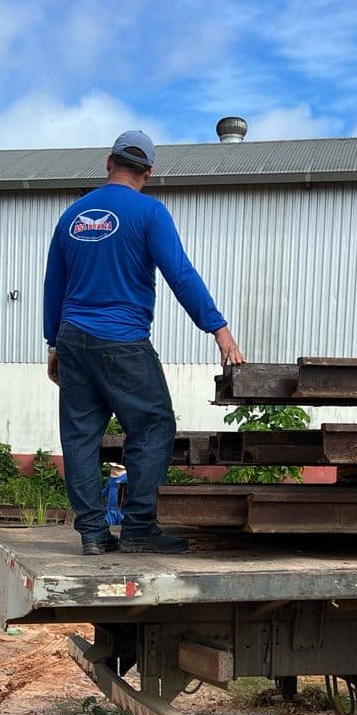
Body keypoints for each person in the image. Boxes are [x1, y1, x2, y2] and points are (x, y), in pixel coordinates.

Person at [43, 130, 243, 555]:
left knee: (80, 437)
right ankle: (137, 529)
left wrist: (53, 343)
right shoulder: (150, 212)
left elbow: (54, 285)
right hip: (122, 340)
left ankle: (93, 534)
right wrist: (218, 328)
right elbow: (180, 274)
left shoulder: (72, 216)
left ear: (108, 162)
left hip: (73, 338)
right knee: (153, 425)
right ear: (148, 172)